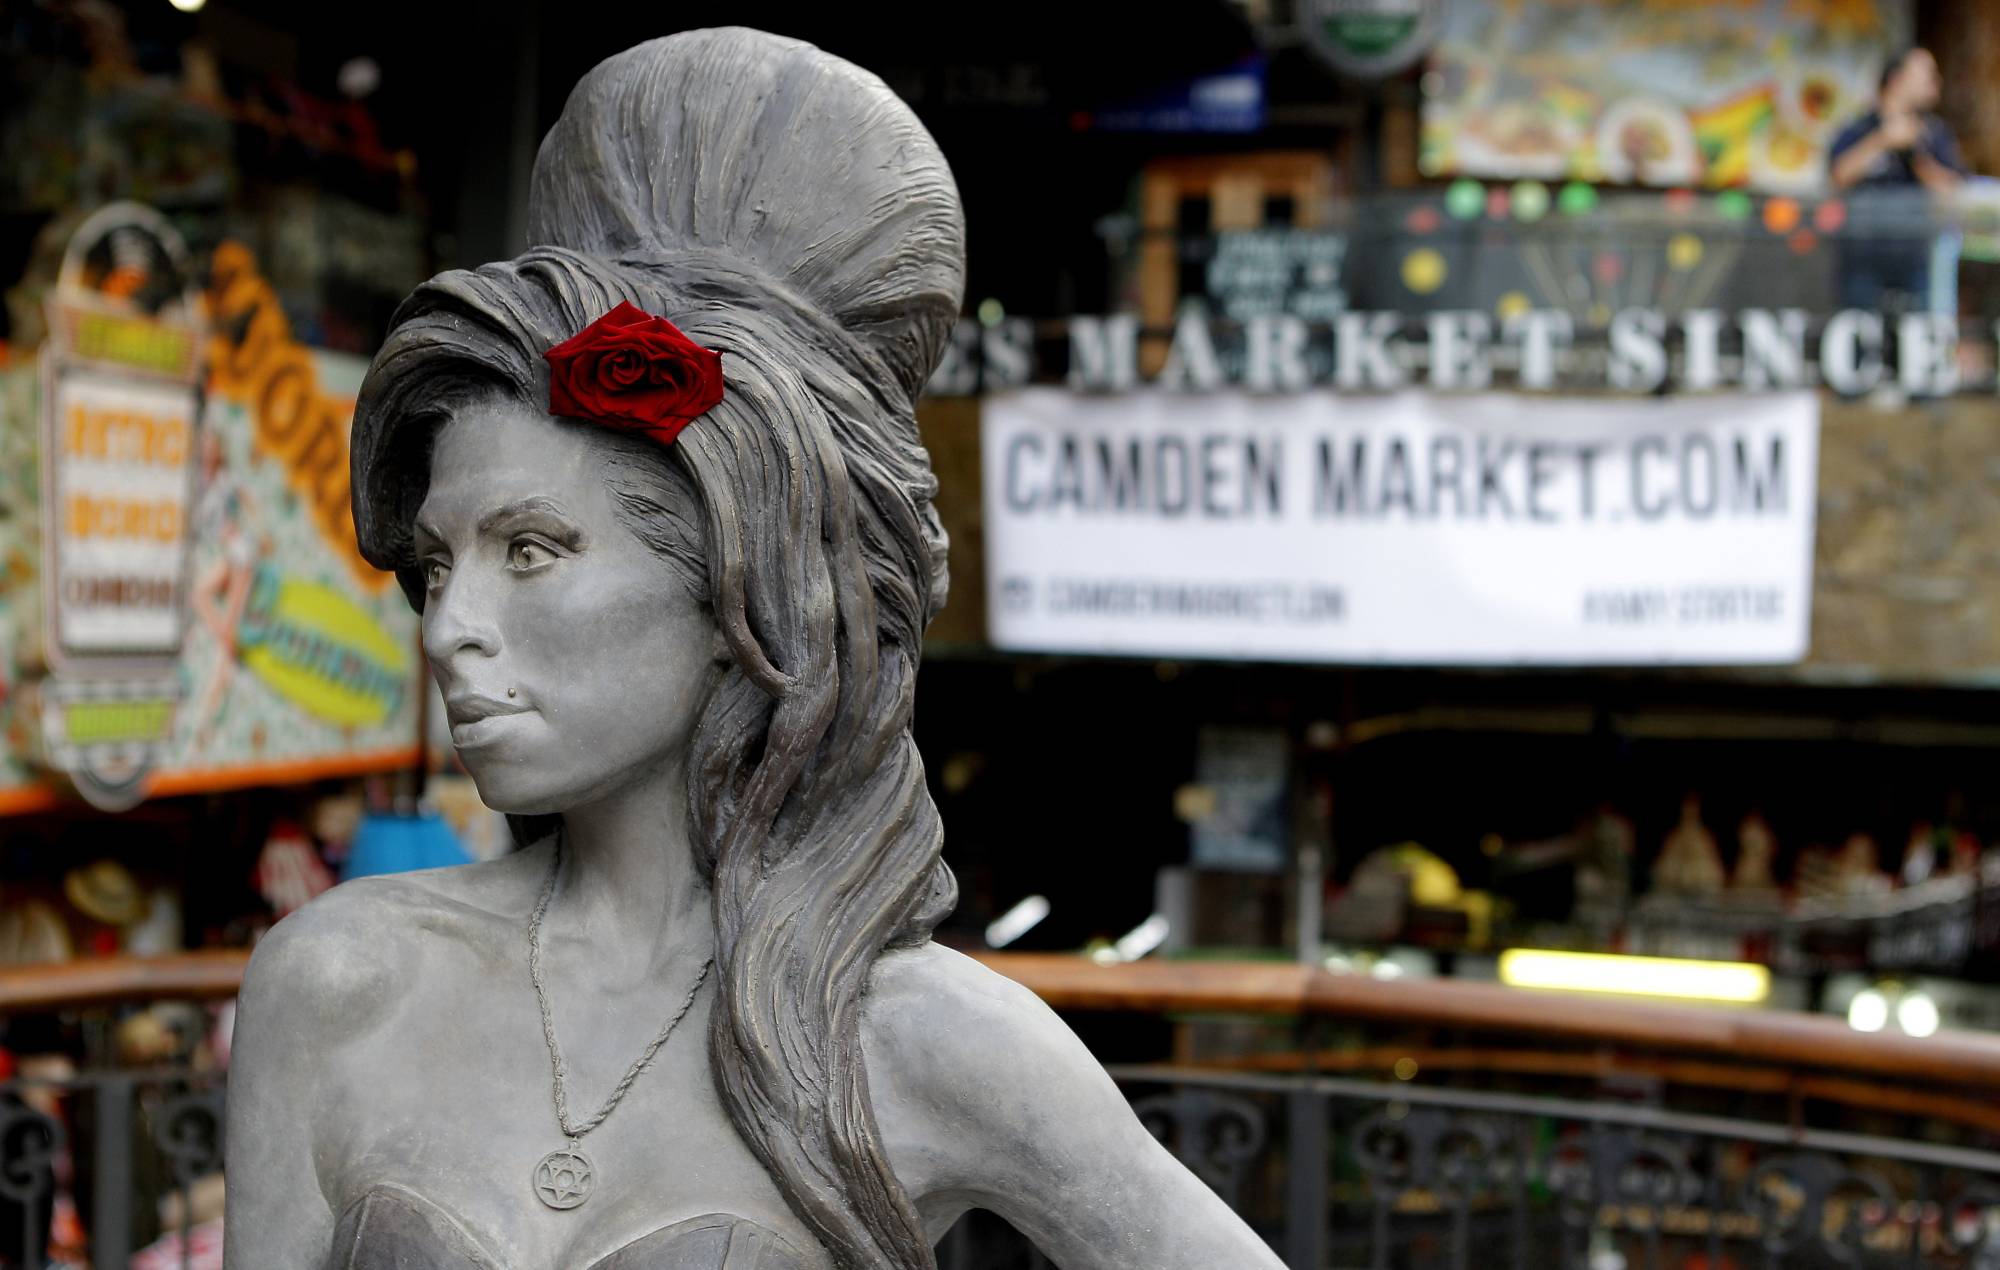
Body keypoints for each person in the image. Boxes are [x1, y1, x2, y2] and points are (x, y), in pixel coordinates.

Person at [222, 27, 1283, 1270]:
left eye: (530, 550)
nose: (451, 626)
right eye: (437, 563)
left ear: (741, 587)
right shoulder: (337, 980)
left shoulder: (928, 1042)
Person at [1828, 47, 1964, 312]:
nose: (1935, 83)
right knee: (1862, 340)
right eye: (1927, 75)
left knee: (1921, 343)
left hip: (1919, 261)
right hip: (1863, 261)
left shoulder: (1934, 132)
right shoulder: (1860, 128)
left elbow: (1952, 188)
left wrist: (1915, 154)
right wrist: (1883, 140)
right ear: (1896, 79)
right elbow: (1838, 176)